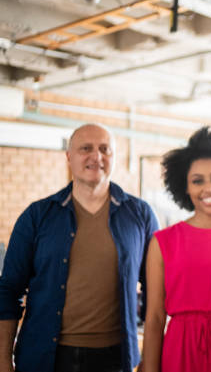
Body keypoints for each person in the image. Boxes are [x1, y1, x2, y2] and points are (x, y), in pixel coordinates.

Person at [0, 123, 159, 372]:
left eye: (104, 149)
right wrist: (2, 362)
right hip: (45, 358)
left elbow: (156, 292)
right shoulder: (37, 216)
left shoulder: (140, 215)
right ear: (69, 157)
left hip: (115, 359)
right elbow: (8, 291)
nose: (96, 156)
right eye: (86, 148)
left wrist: (150, 360)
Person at [142, 127, 211, 372]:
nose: (208, 188)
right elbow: (155, 317)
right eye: (197, 181)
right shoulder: (163, 242)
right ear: (185, 187)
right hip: (181, 350)